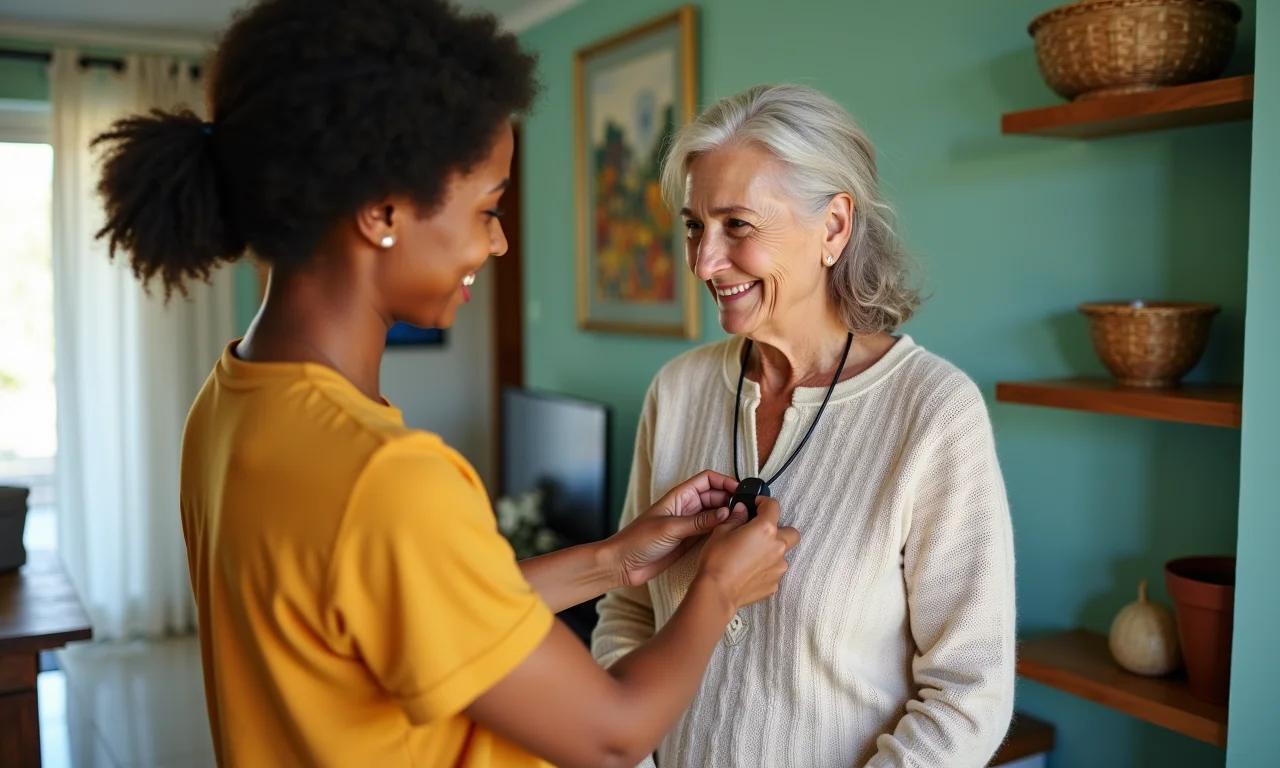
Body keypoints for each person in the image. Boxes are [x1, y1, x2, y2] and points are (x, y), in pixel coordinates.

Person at [90, 2, 801, 766]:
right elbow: (612, 734)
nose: (496, 243)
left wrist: (612, 561)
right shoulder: (384, 477)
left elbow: (410, 615)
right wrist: (718, 590)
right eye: (488, 209)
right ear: (382, 211)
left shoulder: (231, 401)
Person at [591, 83, 1017, 768]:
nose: (703, 262)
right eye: (695, 226)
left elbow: (970, 692)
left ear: (835, 228)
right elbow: (625, 613)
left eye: (738, 225)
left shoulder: (934, 412)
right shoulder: (677, 390)